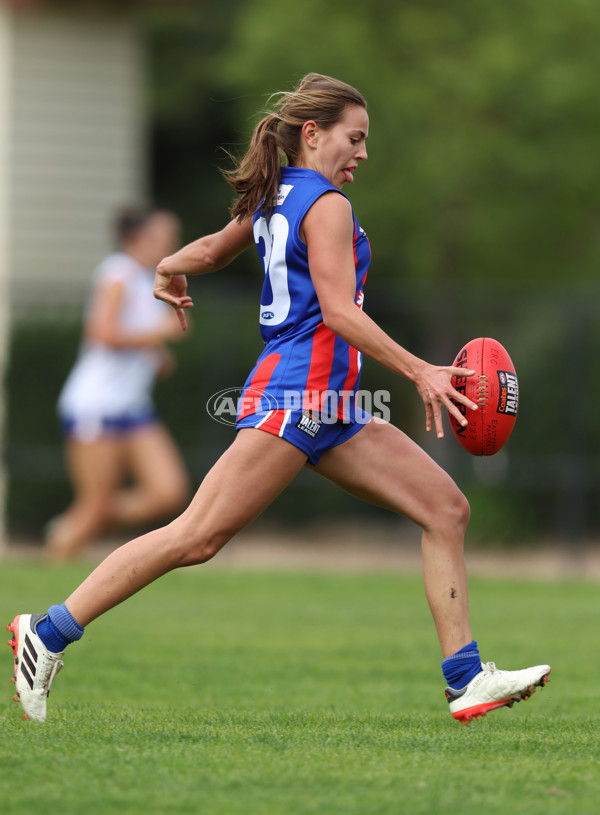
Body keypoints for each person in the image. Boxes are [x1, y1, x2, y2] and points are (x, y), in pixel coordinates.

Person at [7, 74, 550, 723]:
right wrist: (419, 371)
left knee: (445, 507)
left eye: (366, 140)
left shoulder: (276, 195)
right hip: (297, 393)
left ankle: (466, 677)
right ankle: (46, 631)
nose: (364, 153)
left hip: (334, 405)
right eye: (356, 138)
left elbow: (212, 248)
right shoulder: (326, 205)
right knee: (196, 536)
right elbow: (339, 312)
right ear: (313, 133)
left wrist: (168, 265)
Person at [43, 207, 191, 561]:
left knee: (169, 491)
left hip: (132, 406)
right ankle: (60, 553)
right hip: (96, 405)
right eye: (164, 236)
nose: (172, 243)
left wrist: (155, 354)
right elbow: (101, 333)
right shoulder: (116, 273)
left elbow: (136, 333)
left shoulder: (147, 279)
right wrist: (158, 334)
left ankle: (75, 524)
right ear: (137, 238)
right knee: (95, 503)